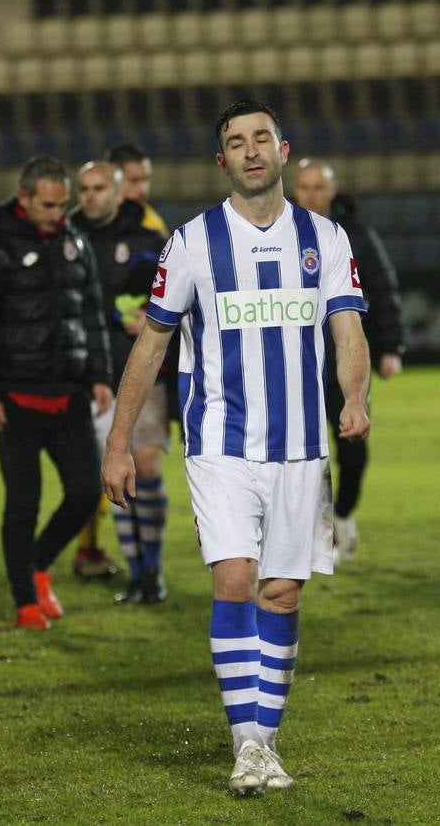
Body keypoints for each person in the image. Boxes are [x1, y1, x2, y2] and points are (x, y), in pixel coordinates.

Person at [102, 99, 370, 795]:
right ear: (222, 161)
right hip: (219, 443)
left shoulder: (326, 239)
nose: (251, 152)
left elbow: (348, 334)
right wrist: (119, 443)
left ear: (283, 149)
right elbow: (152, 343)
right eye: (236, 143)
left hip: (302, 448)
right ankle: (246, 743)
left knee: (280, 595)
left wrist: (356, 397)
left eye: (262, 139)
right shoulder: (192, 242)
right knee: (233, 580)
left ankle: (266, 740)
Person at [0, 156, 113, 630]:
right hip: (17, 400)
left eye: (62, 205)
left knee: (87, 493)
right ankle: (25, 602)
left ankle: (38, 564)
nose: (57, 214)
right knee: (23, 504)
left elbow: (91, 313)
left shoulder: (74, 243)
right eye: (48, 205)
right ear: (24, 199)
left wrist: (100, 374)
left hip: (68, 395)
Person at [291, 158, 406, 564]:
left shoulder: (355, 235)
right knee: (307, 454)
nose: (311, 195)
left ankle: (344, 514)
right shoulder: (279, 234)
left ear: (332, 190)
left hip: (346, 361)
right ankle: (322, 532)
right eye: (303, 187)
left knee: (353, 450)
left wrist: (390, 347)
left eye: (318, 187)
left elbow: (383, 288)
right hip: (299, 363)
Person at [68, 160, 172, 604]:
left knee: (145, 467)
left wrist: (154, 312)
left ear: (117, 192)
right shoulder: (65, 239)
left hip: (142, 372)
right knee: (111, 476)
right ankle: (134, 574)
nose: (89, 196)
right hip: (88, 377)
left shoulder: (150, 241)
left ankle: (152, 571)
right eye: (84, 188)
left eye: (98, 188)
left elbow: (181, 295)